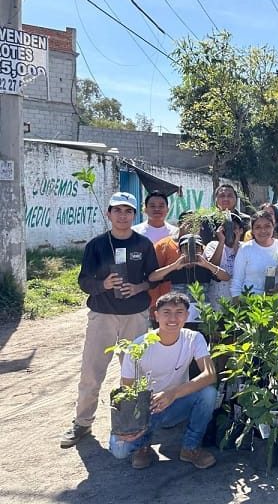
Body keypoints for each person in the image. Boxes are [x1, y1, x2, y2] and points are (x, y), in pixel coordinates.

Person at [61, 192, 159, 448]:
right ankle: (82, 423)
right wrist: (103, 284)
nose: (123, 216)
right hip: (102, 315)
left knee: (136, 372)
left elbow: (154, 277)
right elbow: (83, 281)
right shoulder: (97, 245)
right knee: (92, 371)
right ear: (109, 214)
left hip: (135, 316)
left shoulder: (143, 244)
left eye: (128, 211)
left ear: (134, 216)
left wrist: (139, 288)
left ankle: (135, 424)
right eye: (118, 211)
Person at [108, 292, 217, 470]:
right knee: (120, 451)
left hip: (176, 403)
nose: (173, 318)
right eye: (166, 312)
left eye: (179, 312)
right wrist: (133, 419)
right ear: (156, 315)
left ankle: (190, 448)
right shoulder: (138, 346)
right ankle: (142, 447)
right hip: (147, 408)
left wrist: (173, 393)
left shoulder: (193, 338)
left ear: (187, 316)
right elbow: (126, 388)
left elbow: (210, 374)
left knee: (209, 393)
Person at [150, 211, 230, 323]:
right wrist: (174, 265)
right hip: (179, 316)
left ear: (202, 250)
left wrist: (207, 264)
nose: (191, 251)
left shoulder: (205, 268)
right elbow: (152, 277)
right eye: (186, 248)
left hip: (202, 316)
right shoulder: (176, 269)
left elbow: (226, 277)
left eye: (196, 248)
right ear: (179, 251)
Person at [231, 210, 278, 300]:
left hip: (275, 301)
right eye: (258, 227)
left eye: (267, 226)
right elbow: (237, 279)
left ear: (273, 227)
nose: (263, 231)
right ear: (252, 230)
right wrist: (236, 300)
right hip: (250, 302)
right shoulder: (245, 249)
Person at [204, 213, 245, 309]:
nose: (230, 232)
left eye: (233, 228)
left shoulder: (245, 247)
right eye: (226, 229)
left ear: (241, 230)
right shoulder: (213, 245)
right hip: (218, 297)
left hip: (239, 297)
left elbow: (244, 267)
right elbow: (213, 265)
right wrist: (221, 241)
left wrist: (236, 244)